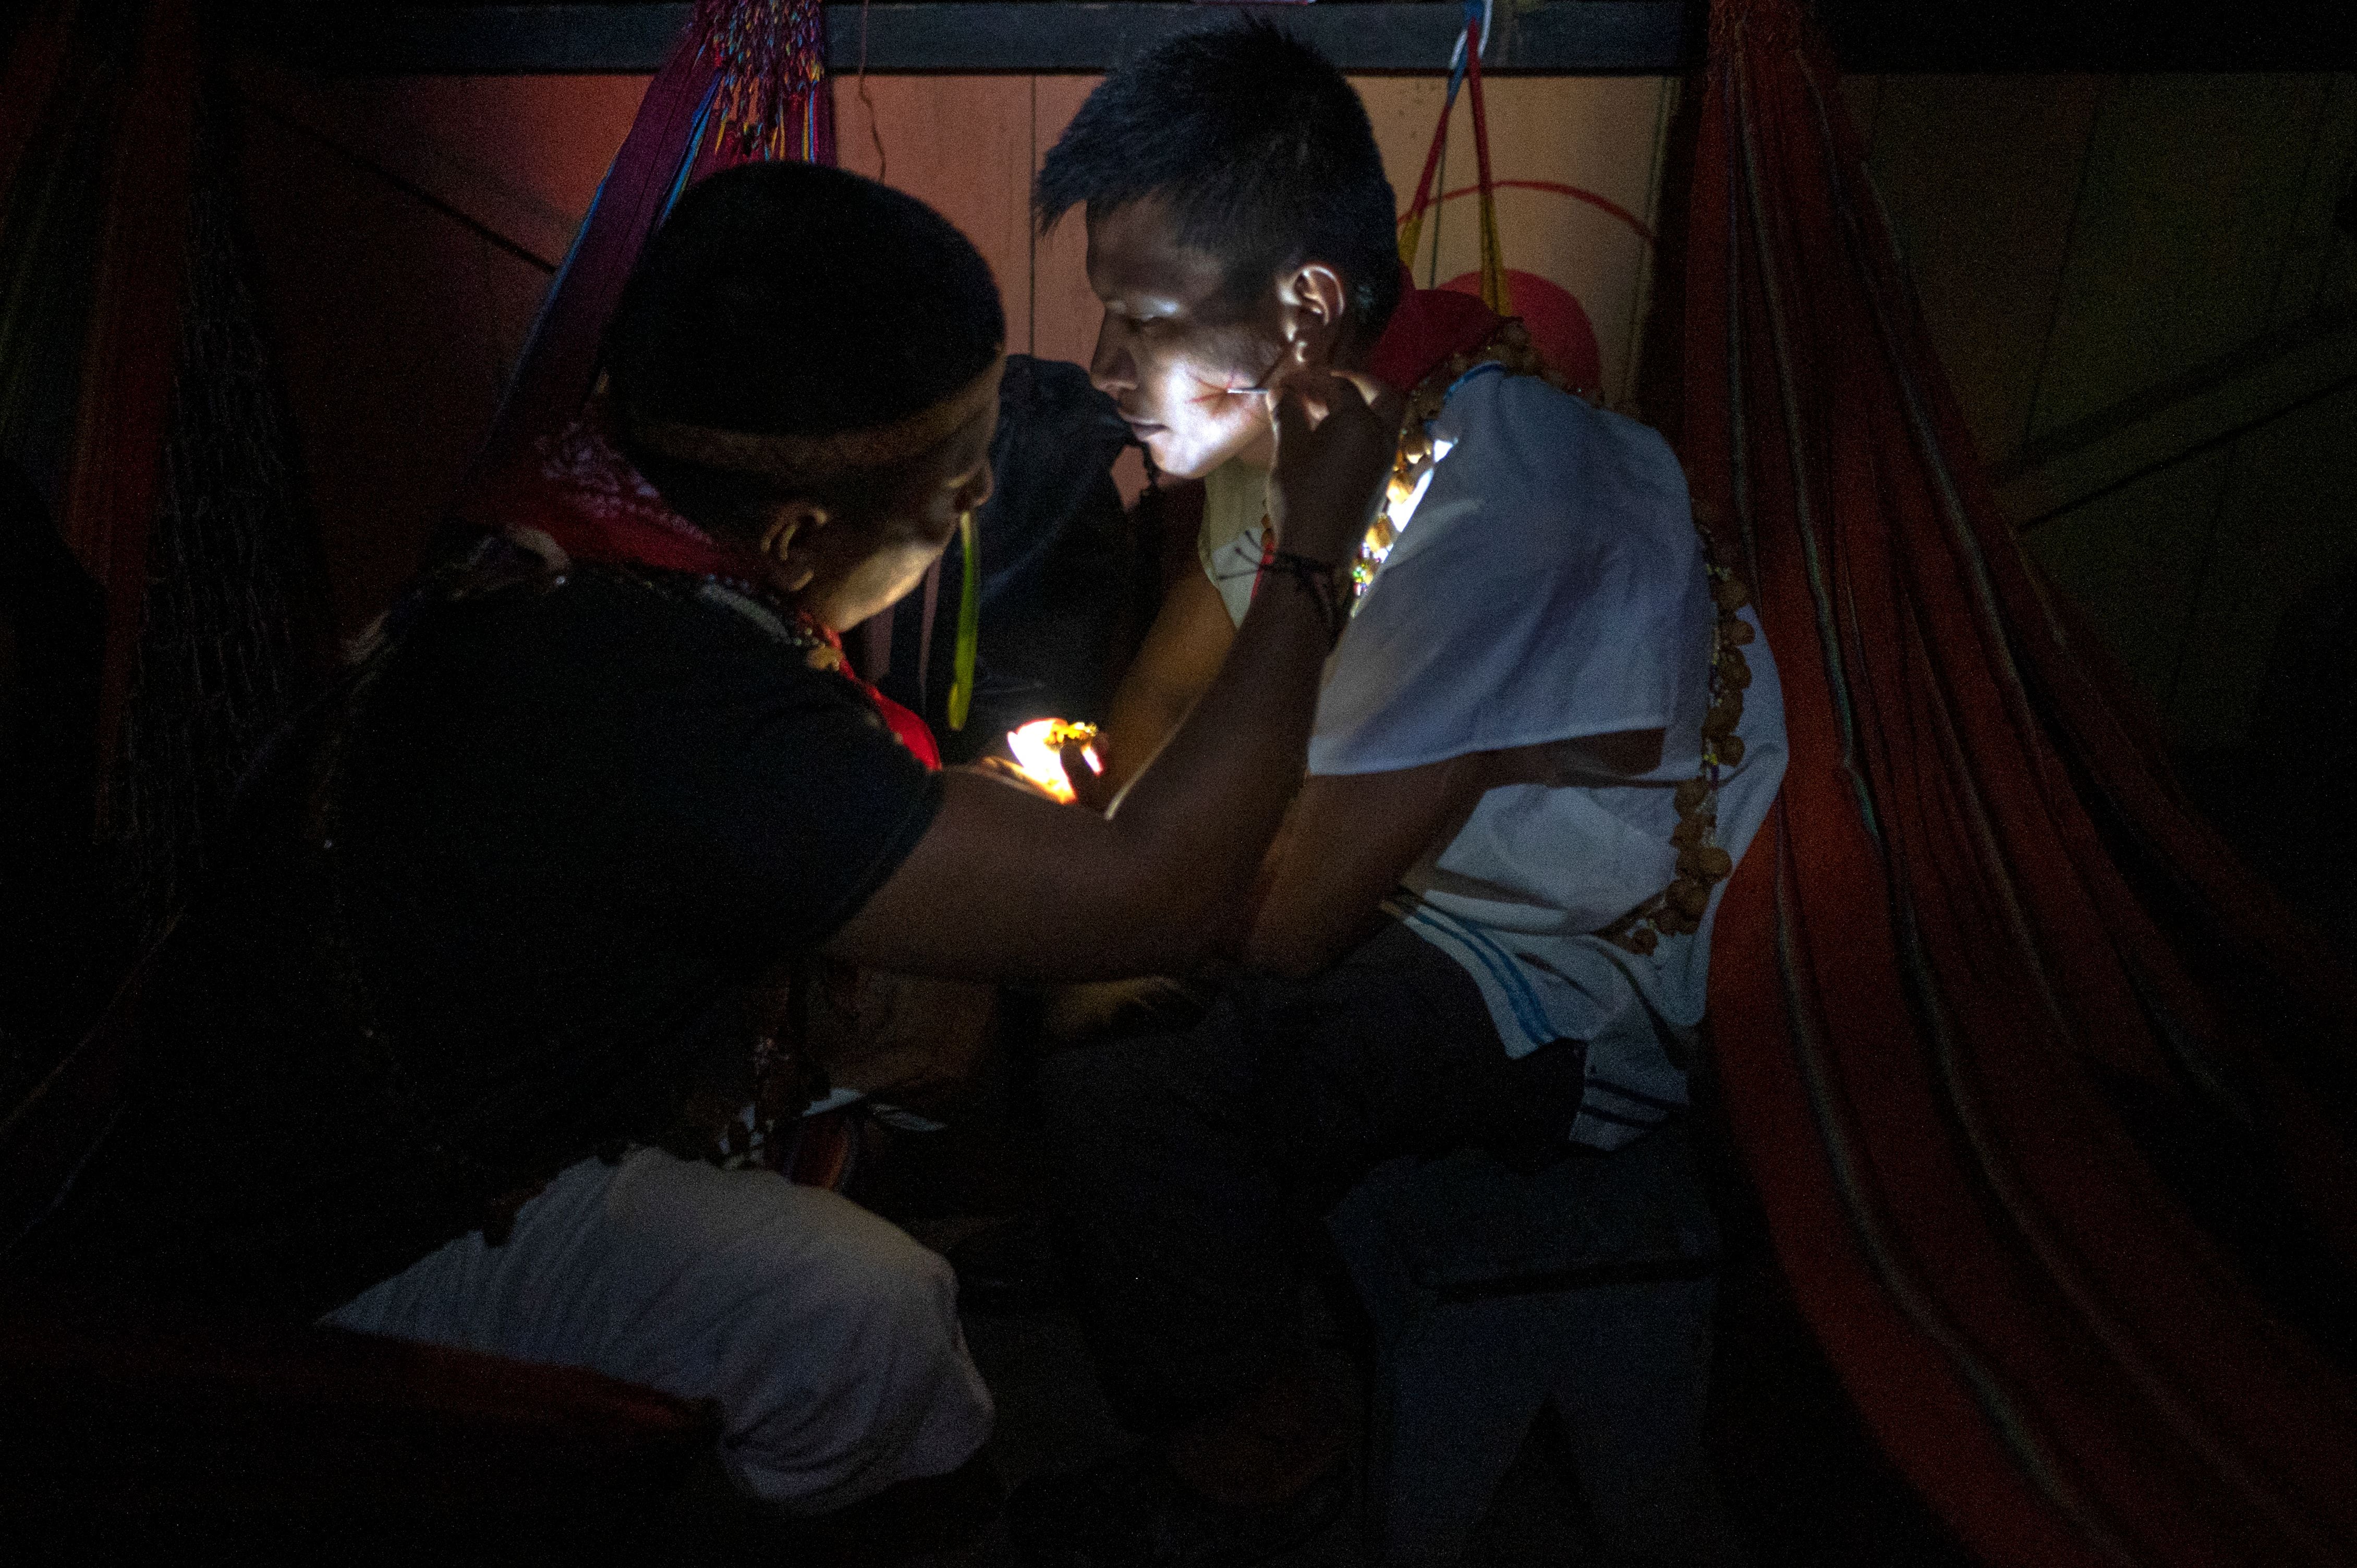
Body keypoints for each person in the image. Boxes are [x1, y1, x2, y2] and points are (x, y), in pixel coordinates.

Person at [11, 161, 1404, 1523]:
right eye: (956, 492)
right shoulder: (672, 705)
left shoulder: (568, 533)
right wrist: (1309, 555)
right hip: (313, 1264)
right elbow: (1159, 897)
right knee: (866, 1317)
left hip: (274, 1139)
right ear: (799, 531)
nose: (982, 507)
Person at [1005, 23, 1788, 1565]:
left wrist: (1118, 876)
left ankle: (1262, 1469)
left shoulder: (1502, 491)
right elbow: (1170, 696)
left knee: (1134, 1067)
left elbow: (1286, 923)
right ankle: (1226, 1354)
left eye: (1141, 322)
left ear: (1302, 305)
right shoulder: (1307, 420)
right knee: (1084, 959)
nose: (1105, 373)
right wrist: (1113, 850)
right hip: (1405, 882)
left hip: (1564, 981)